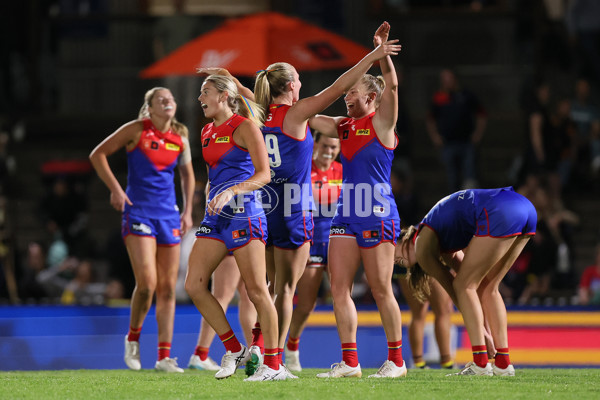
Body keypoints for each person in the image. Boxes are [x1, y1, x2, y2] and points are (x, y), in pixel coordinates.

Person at [199, 23, 401, 376]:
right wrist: (374, 56)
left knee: (267, 288)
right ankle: (275, 362)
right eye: (297, 79)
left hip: (265, 206)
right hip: (295, 208)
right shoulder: (297, 113)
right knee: (284, 291)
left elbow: (246, 91)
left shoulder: (259, 113)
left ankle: (258, 352)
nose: (301, 83)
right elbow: (339, 86)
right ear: (290, 86)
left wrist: (225, 75)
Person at [309, 22, 406, 378]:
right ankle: (350, 362)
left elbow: (393, 85)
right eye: (347, 92)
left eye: (354, 92)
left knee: (381, 289)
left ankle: (396, 361)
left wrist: (382, 56)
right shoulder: (341, 126)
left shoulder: (382, 124)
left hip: (377, 212)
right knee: (338, 288)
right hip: (346, 213)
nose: (347, 96)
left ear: (372, 99)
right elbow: (307, 116)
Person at [184, 74, 286, 381]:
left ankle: (273, 364)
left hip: (246, 214)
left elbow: (265, 174)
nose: (200, 98)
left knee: (256, 291)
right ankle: (233, 348)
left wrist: (232, 191)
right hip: (216, 219)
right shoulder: (205, 131)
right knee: (194, 284)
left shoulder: (244, 127)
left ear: (225, 96)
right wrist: (213, 196)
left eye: (205, 92)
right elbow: (213, 172)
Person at [89, 87, 195, 373]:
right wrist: (115, 189)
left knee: (168, 290)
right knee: (147, 284)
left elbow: (187, 177)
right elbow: (98, 154)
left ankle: (164, 357)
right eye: (161, 99)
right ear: (149, 107)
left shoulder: (180, 138)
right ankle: (133, 339)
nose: (167, 102)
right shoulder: (137, 130)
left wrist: (186, 212)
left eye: (171, 99)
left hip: (169, 217)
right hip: (139, 212)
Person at [394, 187, 537, 376]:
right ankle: (503, 363)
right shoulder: (438, 242)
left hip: (498, 210)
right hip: (525, 208)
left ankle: (480, 362)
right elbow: (468, 292)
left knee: (464, 285)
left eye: (390, 251)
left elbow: (458, 291)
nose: (393, 259)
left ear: (403, 239)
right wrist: (485, 333)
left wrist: (485, 335)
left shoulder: (421, 244)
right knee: (488, 287)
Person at [284, 132, 342, 372]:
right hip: (311, 241)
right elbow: (293, 205)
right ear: (315, 144)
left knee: (342, 298)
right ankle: (291, 348)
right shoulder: (303, 169)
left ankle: (348, 356)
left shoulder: (342, 171)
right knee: (307, 304)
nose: (329, 152)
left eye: (334, 148)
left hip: (338, 242)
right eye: (326, 146)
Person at [187, 254, 256, 371]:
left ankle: (254, 355)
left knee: (249, 297)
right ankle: (200, 355)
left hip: (242, 242)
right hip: (234, 242)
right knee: (222, 296)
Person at [425, 68, 487, 192]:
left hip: (466, 142)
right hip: (448, 144)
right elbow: (430, 119)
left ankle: (470, 204)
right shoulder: (438, 98)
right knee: (452, 178)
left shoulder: (466, 95)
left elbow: (481, 114)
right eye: (444, 79)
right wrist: (435, 136)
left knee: (469, 177)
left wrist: (478, 134)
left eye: (449, 78)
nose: (446, 82)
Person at [396, 270, 455, 369]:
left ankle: (418, 362)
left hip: (404, 265)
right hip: (430, 263)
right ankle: (447, 361)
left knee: (417, 313)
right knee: (443, 312)